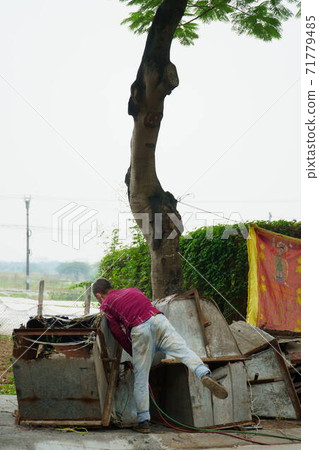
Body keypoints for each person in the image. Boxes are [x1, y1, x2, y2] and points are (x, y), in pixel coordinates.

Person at [92, 278, 228, 433]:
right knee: (183, 351)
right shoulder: (133, 290)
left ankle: (143, 422)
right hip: (159, 320)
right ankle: (203, 373)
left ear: (99, 295)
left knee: (141, 377)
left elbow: (117, 332)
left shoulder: (106, 304)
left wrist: (132, 352)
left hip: (139, 329)